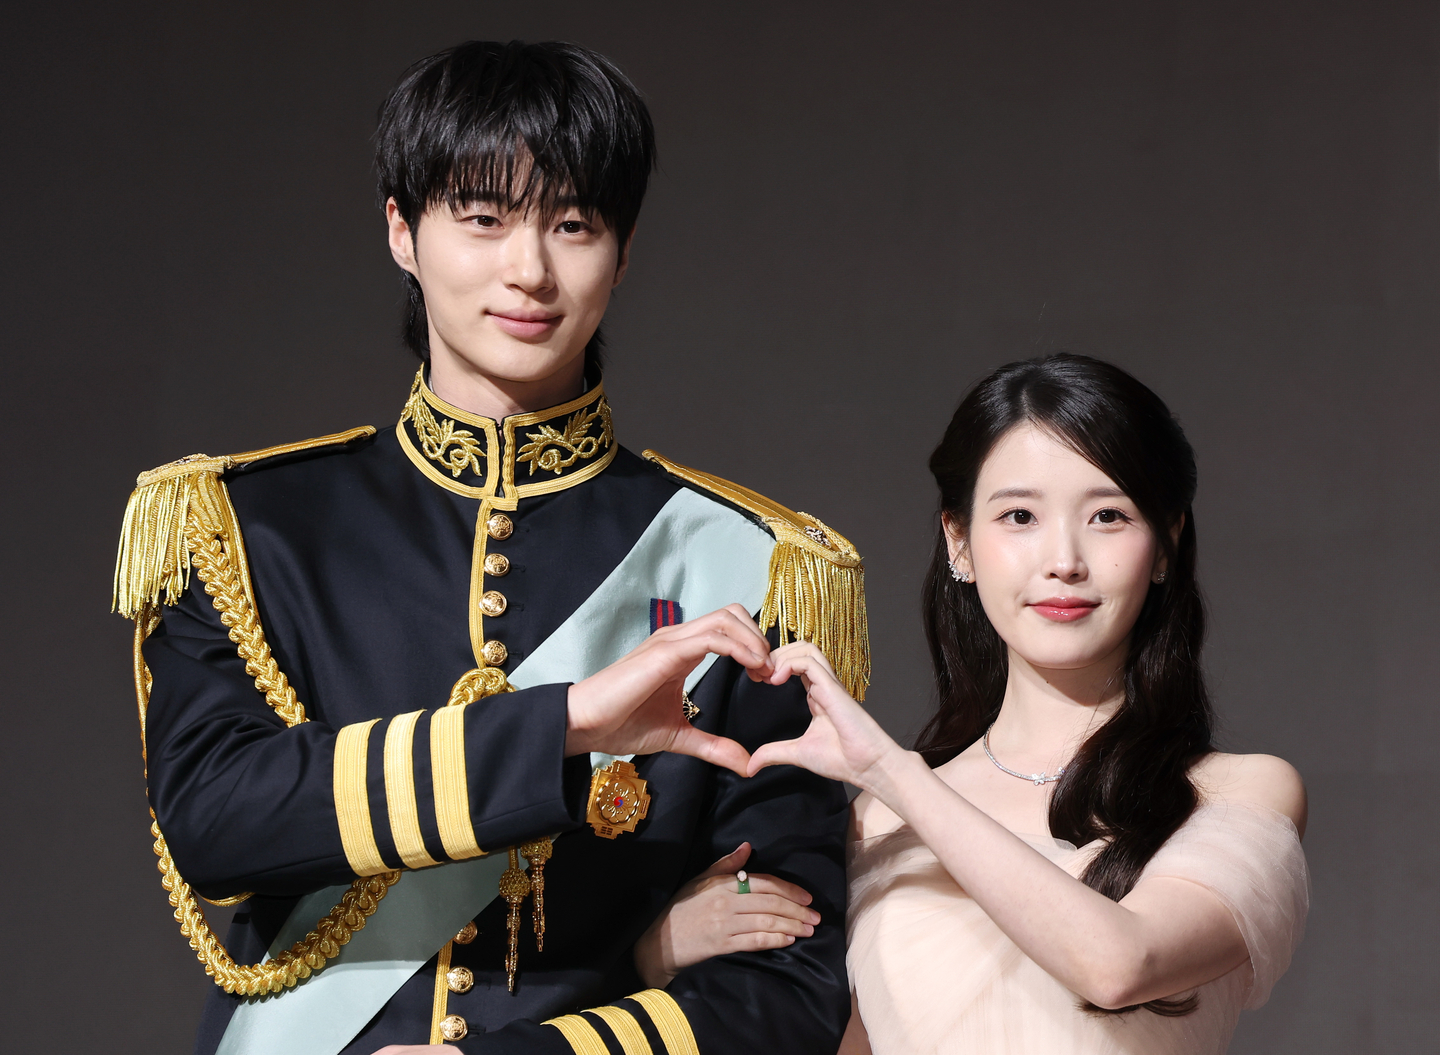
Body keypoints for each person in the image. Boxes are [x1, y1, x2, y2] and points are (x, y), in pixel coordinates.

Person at [112, 41, 865, 1055]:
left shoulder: (750, 563)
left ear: (624, 250)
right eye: (483, 217)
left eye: (573, 224)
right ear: (401, 230)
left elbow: (786, 987)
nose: (530, 269)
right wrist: (557, 725)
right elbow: (214, 819)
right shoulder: (245, 527)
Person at [744, 354, 1309, 1054]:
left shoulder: (1235, 791)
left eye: (1108, 515)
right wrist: (665, 944)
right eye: (1019, 515)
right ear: (959, 541)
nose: (1063, 558)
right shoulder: (874, 817)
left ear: (1166, 544)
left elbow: (1120, 963)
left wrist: (895, 772)